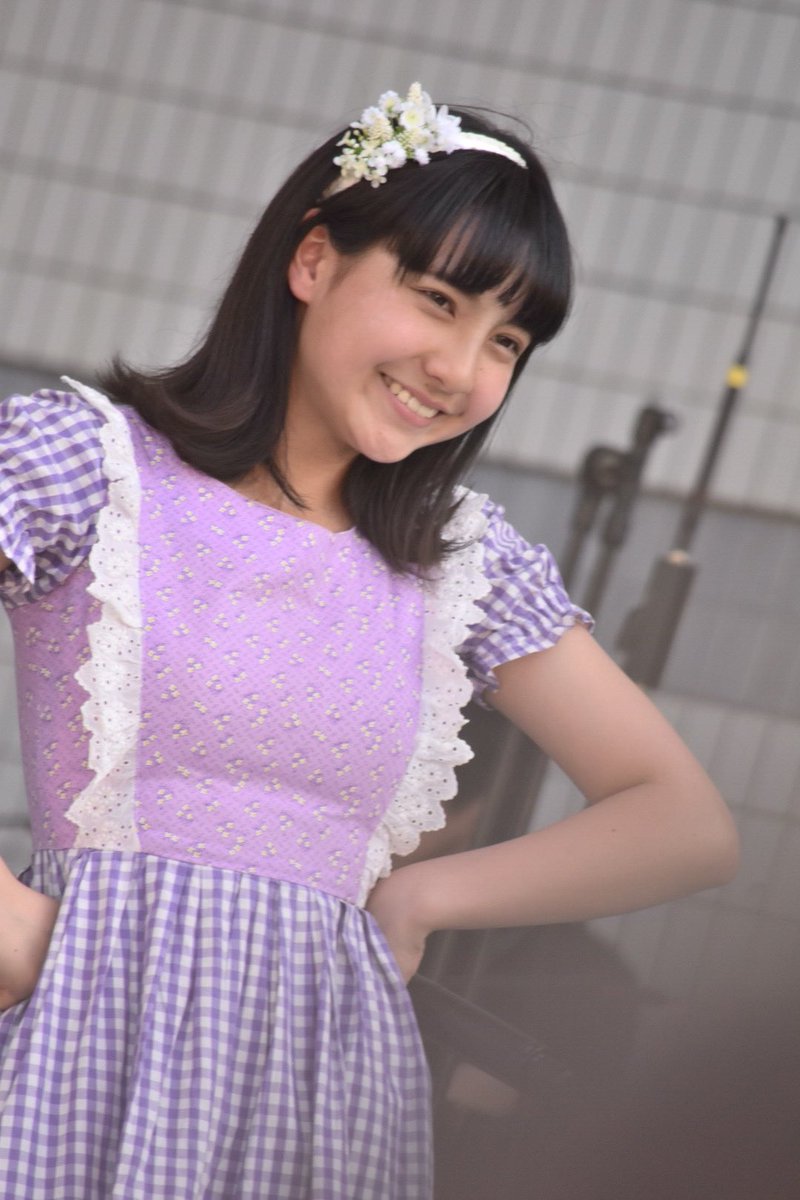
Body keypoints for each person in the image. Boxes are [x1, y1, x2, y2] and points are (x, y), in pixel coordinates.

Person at [0, 83, 738, 1199]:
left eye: (505, 341)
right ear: (313, 260)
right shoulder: (90, 466)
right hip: (79, 1034)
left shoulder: (464, 564)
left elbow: (682, 821)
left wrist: (425, 898)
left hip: (323, 1080)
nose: (460, 369)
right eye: (437, 299)